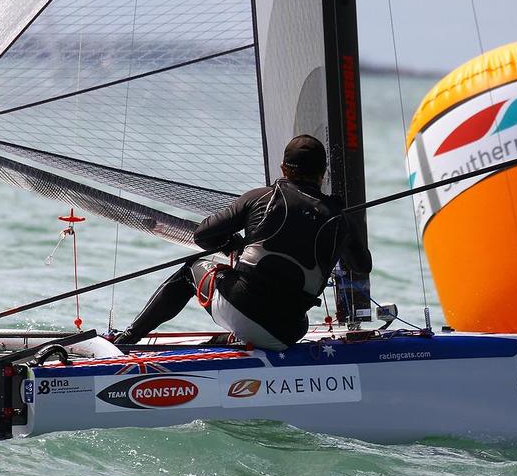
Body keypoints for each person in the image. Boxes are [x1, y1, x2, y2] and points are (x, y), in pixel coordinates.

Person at [114, 135, 372, 351]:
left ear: (283, 168)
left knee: (190, 270)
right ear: (323, 173)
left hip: (239, 308)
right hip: (288, 333)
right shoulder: (341, 219)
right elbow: (361, 266)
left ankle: (126, 340)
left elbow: (203, 235)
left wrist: (232, 244)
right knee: (290, 309)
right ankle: (243, 338)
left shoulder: (260, 197)